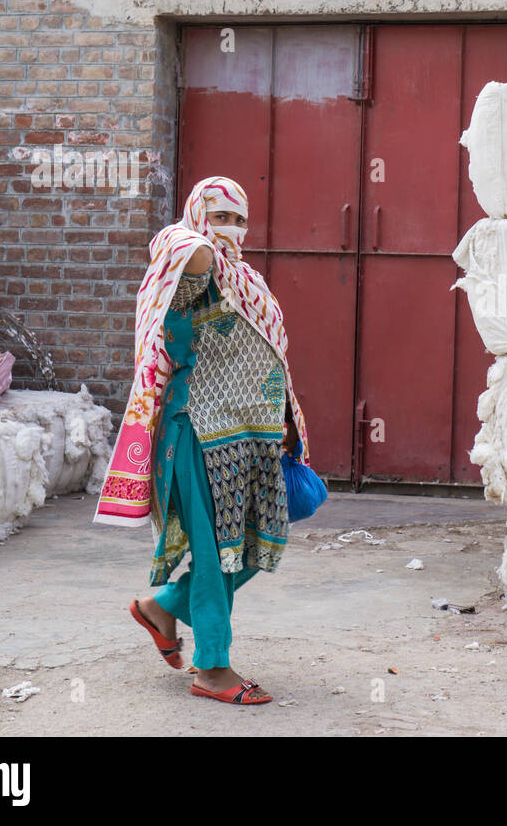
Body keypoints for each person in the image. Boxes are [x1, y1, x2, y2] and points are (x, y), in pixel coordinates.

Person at [94, 176, 313, 705]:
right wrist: (193, 237)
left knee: (259, 548)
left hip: (251, 437)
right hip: (199, 432)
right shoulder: (193, 267)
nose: (231, 229)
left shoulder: (245, 278)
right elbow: (185, 256)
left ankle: (163, 607)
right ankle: (212, 668)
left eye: (239, 219)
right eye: (219, 216)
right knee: (216, 556)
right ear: (197, 216)